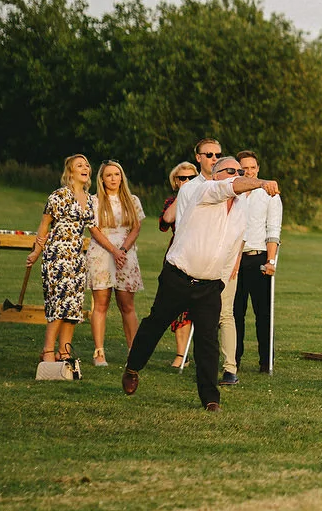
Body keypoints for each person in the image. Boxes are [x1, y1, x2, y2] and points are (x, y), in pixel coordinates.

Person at [122, 147, 278, 410]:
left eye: (240, 171)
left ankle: (210, 398)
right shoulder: (205, 191)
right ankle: (133, 367)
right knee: (155, 324)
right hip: (178, 275)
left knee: (207, 342)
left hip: (209, 284)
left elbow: (234, 245)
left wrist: (221, 280)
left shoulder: (241, 208)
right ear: (216, 175)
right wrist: (262, 183)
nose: (237, 175)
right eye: (231, 170)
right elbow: (230, 186)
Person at [24, 154, 128, 366]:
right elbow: (44, 225)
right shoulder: (58, 196)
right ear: (70, 172)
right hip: (57, 256)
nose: (85, 168)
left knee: (73, 307)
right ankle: (47, 350)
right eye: (79, 165)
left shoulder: (89, 200)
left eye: (87, 165)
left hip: (77, 259)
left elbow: (94, 229)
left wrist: (115, 249)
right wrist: (36, 252)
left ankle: (64, 352)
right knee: (59, 304)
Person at [222, 149, 282, 382]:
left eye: (252, 168)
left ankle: (266, 361)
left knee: (263, 313)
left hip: (258, 257)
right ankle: (233, 360)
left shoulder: (269, 194)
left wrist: (271, 261)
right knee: (234, 312)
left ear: (258, 169)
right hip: (233, 259)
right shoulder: (232, 193)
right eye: (244, 168)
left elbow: (273, 229)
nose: (249, 172)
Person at [85, 160, 144, 367]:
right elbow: (93, 229)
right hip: (102, 253)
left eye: (116, 174)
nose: (113, 178)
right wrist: (113, 250)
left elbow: (136, 227)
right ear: (102, 179)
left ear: (122, 177)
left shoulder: (132, 200)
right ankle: (99, 352)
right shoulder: (94, 201)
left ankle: (133, 352)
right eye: (108, 175)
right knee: (101, 304)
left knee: (127, 305)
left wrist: (123, 250)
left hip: (126, 254)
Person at [159, 160, 199, 367]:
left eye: (191, 178)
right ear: (175, 181)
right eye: (182, 178)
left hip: (201, 254)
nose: (187, 181)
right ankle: (181, 354)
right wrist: (183, 194)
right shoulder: (172, 201)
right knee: (178, 305)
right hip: (178, 254)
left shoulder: (205, 198)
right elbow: (166, 219)